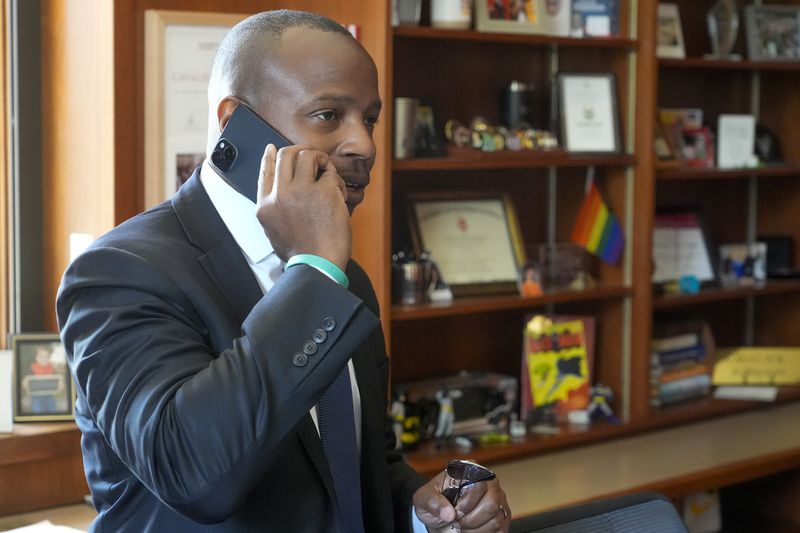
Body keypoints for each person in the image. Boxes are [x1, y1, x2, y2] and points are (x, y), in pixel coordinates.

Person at [57, 10, 510, 533]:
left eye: (369, 118)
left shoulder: (345, 280)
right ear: (234, 123)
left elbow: (358, 464)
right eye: (327, 115)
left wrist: (422, 511)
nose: (363, 144)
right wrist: (314, 271)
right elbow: (193, 474)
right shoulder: (119, 273)